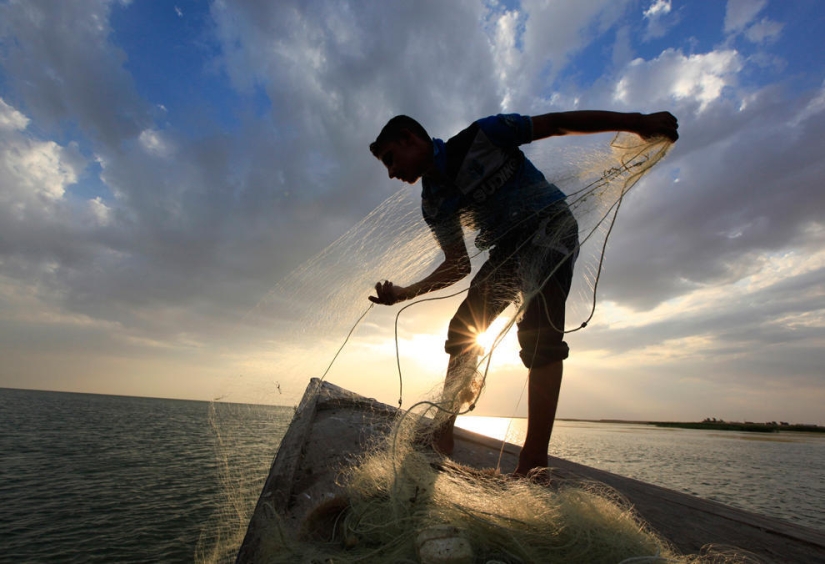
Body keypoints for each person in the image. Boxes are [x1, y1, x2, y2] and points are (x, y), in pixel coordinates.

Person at [368, 110, 678, 476]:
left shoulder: (484, 135)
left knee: (539, 338)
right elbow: (457, 264)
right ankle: (442, 435)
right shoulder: (434, 202)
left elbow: (556, 125)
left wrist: (638, 122)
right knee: (464, 329)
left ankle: (534, 463)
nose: (391, 172)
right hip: (509, 251)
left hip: (551, 227)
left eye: (391, 159)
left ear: (409, 138)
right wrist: (405, 292)